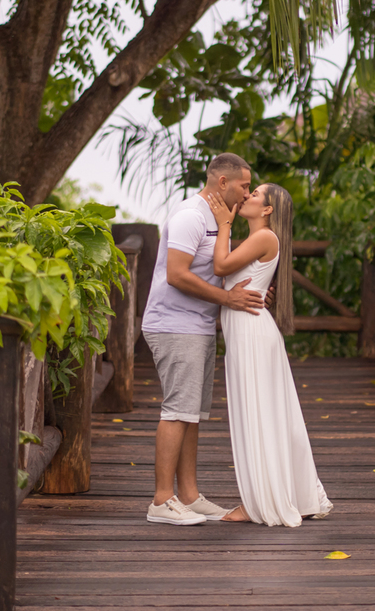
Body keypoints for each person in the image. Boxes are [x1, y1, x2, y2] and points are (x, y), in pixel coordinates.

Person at [142, 153, 266, 525]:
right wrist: (228, 299)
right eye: (245, 185)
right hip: (173, 324)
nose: (247, 193)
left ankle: (190, 496)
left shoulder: (219, 219)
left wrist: (249, 288)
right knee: (177, 410)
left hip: (197, 325)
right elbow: (178, 275)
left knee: (192, 415)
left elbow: (217, 268)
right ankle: (162, 500)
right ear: (223, 183)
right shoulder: (190, 217)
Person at [206, 183, 334, 526]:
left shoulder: (264, 238)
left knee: (259, 414)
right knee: (266, 415)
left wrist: (224, 224)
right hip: (248, 331)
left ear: (268, 210)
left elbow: (220, 266)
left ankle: (259, 502)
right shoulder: (256, 241)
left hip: (252, 334)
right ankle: (282, 494)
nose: (246, 196)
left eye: (255, 194)